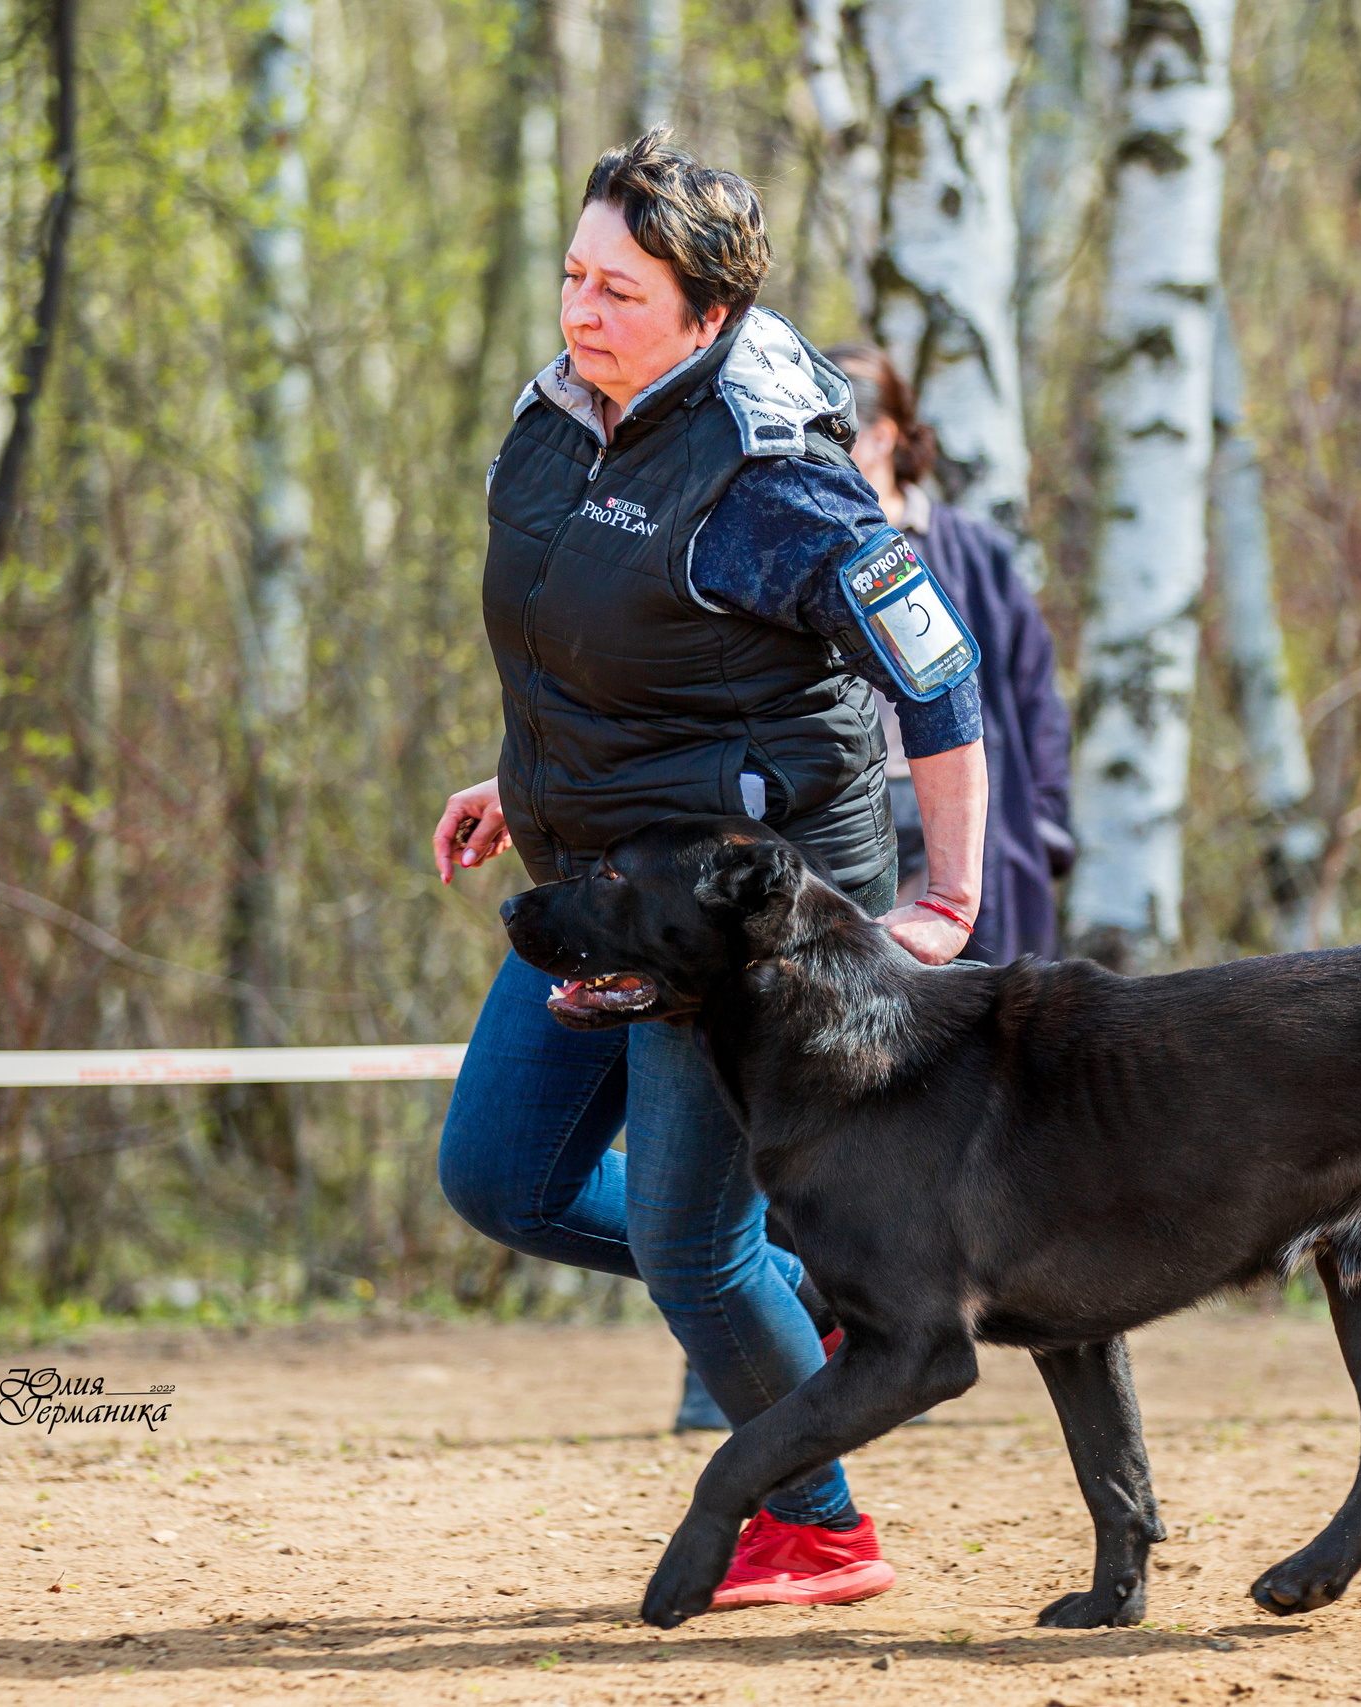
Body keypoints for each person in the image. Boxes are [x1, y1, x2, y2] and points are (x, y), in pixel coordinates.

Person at [433, 131, 989, 1608]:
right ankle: (789, 1295)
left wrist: (949, 895)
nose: (580, 310)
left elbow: (937, 672)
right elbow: (610, 636)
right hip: (605, 866)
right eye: (573, 274)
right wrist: (530, 780)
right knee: (496, 1172)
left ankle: (819, 1520)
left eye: (620, 289)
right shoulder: (561, 411)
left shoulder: (771, 472)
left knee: (688, 1241)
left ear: (709, 312)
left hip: (742, 912)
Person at [670, 347, 1074, 1434]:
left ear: (888, 432)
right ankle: (736, 1369)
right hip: (819, 834)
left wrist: (1036, 836)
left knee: (928, 1125)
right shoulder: (759, 519)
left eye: (847, 420)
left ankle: (916, 1316)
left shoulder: (967, 551)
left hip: (941, 834)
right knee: (777, 1118)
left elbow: (1017, 694)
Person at [828, 343, 1073, 967]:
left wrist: (1043, 825)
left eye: (833, 431)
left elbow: (1034, 692)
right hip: (841, 814)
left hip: (953, 814)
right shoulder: (801, 543)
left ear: (881, 437)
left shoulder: (972, 551)